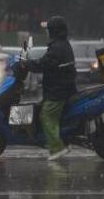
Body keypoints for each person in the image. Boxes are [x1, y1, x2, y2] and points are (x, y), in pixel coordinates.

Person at [23, 16, 77, 161]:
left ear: (54, 31)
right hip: (63, 87)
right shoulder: (62, 44)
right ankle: (59, 141)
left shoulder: (57, 47)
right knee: (44, 111)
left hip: (58, 90)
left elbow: (44, 63)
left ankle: (57, 148)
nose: (47, 32)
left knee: (46, 115)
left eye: (49, 30)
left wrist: (27, 64)